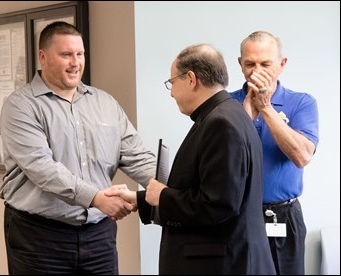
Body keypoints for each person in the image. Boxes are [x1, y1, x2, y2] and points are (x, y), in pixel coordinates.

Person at [0, 21, 156, 275]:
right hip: (40, 238)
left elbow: (136, 156)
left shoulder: (105, 103)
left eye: (80, 54)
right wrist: (96, 198)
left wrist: (174, 185)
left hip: (98, 236)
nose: (75, 63)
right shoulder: (20, 106)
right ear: (43, 57)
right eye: (66, 55)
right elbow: (42, 168)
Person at [108, 43, 276, 275]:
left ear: (191, 78)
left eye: (172, 82)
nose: (171, 92)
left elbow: (218, 206)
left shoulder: (221, 124)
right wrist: (141, 199)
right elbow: (205, 190)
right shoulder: (227, 114)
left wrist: (163, 196)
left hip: (221, 265)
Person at [230, 31, 319, 275]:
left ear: (282, 65)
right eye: (250, 64)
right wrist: (248, 111)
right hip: (237, 216)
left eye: (266, 64)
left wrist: (266, 108)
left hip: (283, 216)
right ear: (240, 65)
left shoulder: (302, 103)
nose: (257, 70)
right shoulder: (226, 105)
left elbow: (302, 156)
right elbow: (225, 160)